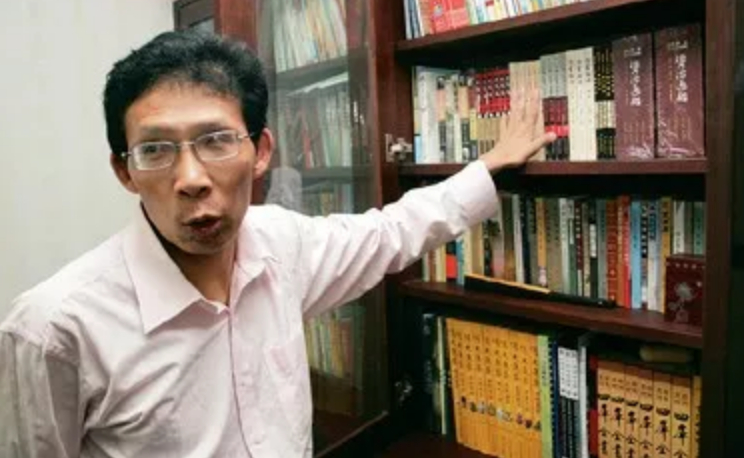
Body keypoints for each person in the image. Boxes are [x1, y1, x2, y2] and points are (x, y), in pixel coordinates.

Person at [0, 30, 555, 458]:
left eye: (216, 140)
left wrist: (488, 166)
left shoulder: (282, 243)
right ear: (125, 171)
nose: (191, 178)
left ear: (261, 151)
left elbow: (392, 231)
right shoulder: (52, 330)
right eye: (156, 150)